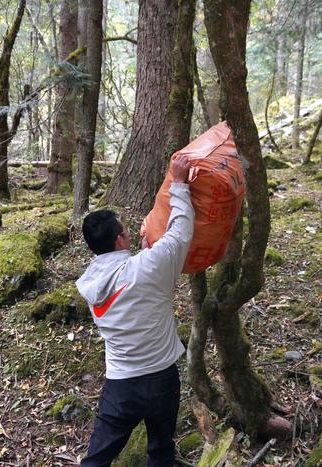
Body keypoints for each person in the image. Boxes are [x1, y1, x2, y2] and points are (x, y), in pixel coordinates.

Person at [76, 154, 194, 467]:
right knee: (160, 451)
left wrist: (142, 250)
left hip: (121, 386)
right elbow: (180, 232)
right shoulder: (148, 267)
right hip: (161, 378)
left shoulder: (90, 284)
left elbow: (129, 283)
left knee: (96, 460)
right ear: (119, 239)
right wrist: (180, 184)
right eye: (126, 231)